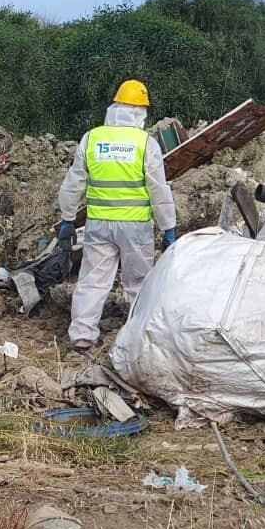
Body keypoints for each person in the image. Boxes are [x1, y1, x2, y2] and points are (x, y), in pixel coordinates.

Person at [57, 79, 176, 351]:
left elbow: (73, 183)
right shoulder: (146, 143)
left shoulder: (92, 138)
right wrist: (168, 227)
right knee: (139, 282)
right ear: (141, 113)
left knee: (93, 281)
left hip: (98, 224)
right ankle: (140, 336)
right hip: (135, 227)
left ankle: (83, 336)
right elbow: (159, 191)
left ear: (115, 107)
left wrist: (67, 219)